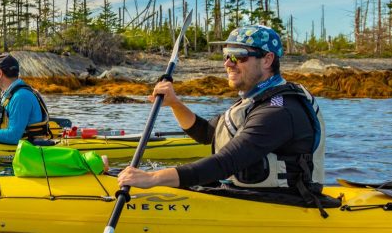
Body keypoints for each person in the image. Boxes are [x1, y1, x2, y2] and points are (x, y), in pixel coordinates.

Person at [116, 25, 327, 205]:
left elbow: (225, 163)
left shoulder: (280, 111)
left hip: (282, 202)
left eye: (238, 56)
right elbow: (206, 133)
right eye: (226, 55)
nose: (227, 63)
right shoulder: (255, 100)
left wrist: (153, 178)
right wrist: (174, 104)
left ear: (267, 60)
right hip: (247, 194)